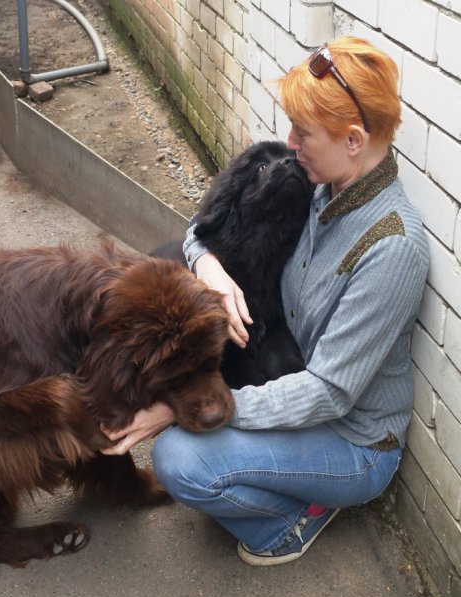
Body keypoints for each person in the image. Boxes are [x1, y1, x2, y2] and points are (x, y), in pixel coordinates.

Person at [102, 36, 429, 565]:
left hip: (353, 441)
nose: (290, 143)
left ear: (352, 140)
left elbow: (329, 393)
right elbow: (207, 229)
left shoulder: (392, 248)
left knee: (181, 459)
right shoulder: (318, 187)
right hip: (288, 381)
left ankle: (291, 522)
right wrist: (208, 266)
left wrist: (177, 410)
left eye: (303, 133)